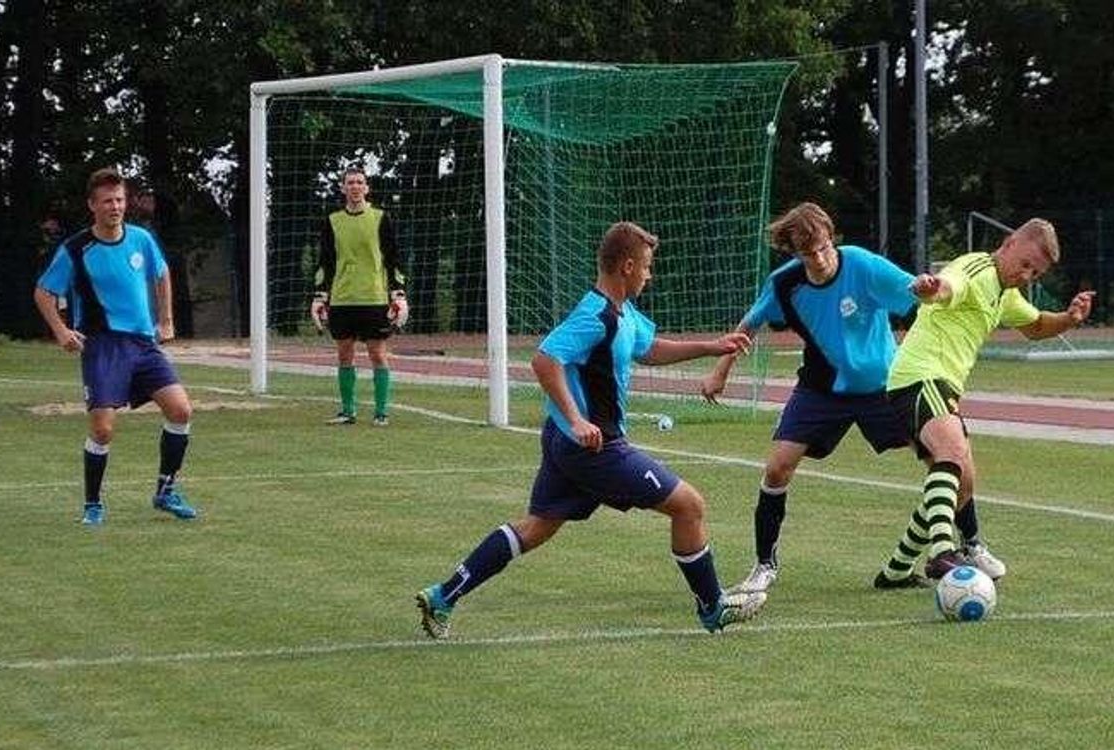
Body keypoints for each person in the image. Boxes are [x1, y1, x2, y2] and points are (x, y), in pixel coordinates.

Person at [415, 221, 765, 639]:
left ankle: (442, 596)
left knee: (536, 528)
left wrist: (711, 346)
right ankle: (712, 608)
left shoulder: (623, 313)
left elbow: (648, 350)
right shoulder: (595, 316)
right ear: (628, 266)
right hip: (595, 448)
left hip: (569, 442)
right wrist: (578, 420)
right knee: (689, 506)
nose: (650, 276)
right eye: (648, 267)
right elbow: (546, 360)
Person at [700, 201, 957, 593]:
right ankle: (764, 566)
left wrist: (925, 288)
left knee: (941, 455)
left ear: (832, 240)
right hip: (821, 389)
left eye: (823, 247)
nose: (819, 259)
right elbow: (749, 324)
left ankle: (966, 545)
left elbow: (914, 290)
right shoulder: (785, 283)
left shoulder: (861, 264)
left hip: (884, 386)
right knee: (777, 469)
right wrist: (720, 370)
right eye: (808, 253)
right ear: (795, 253)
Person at [874, 218, 1095, 585]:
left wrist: (1070, 318)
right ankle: (945, 552)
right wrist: (931, 287)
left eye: (1035, 273)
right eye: (1025, 264)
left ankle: (896, 570)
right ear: (1008, 244)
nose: (1027, 276)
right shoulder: (976, 268)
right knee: (953, 453)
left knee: (963, 484)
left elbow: (1036, 325)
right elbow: (949, 286)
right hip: (919, 376)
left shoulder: (1005, 292)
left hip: (941, 384)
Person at [33, 167, 198, 526]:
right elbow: (44, 292)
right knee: (103, 429)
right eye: (107, 201)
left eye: (120, 199)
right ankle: (93, 503)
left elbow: (162, 272)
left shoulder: (141, 238)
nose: (115, 206)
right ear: (92, 205)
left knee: (181, 410)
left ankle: (166, 490)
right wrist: (61, 331)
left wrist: (166, 318)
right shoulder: (76, 249)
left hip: (143, 343)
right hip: (103, 345)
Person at [311, 167, 407, 426]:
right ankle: (347, 411)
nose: (355, 187)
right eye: (350, 182)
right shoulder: (332, 221)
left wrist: (398, 294)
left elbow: (393, 258)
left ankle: (381, 412)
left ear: (367, 188)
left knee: (377, 353)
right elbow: (325, 261)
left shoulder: (380, 218)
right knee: (344, 354)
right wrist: (320, 297)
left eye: (360, 182)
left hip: (374, 298)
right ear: (343, 188)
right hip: (342, 298)